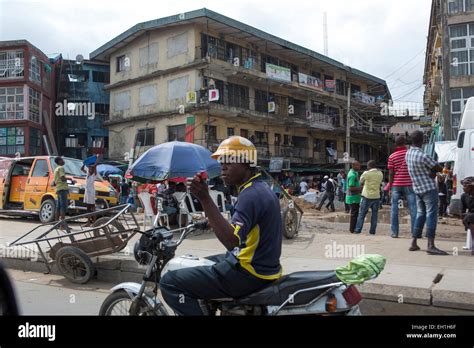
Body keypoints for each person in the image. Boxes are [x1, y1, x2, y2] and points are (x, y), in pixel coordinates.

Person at [160, 136, 282, 315]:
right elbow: (246, 231)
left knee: (170, 282)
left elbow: (232, 241)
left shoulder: (250, 195)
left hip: (250, 272)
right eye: (222, 161)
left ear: (247, 164)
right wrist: (215, 222)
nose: (223, 166)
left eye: (229, 161)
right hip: (265, 267)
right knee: (202, 263)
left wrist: (204, 198)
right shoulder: (260, 188)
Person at [405, 130, 447, 255]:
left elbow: (428, 169)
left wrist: (431, 171)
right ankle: (430, 245)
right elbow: (438, 168)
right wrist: (439, 171)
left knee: (420, 214)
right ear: (422, 141)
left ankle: (413, 242)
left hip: (417, 188)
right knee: (431, 215)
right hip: (429, 189)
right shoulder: (423, 155)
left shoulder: (408, 154)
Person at [387, 135, 417, 239]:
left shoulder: (392, 156)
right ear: (405, 143)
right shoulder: (410, 154)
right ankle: (414, 233)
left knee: (394, 209)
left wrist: (390, 187)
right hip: (409, 184)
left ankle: (395, 233)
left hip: (396, 185)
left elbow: (391, 173)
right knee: (413, 208)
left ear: (395, 144)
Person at [354, 161, 383, 235]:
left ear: (370, 166)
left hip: (366, 196)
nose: (367, 167)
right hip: (376, 196)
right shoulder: (380, 173)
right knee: (374, 215)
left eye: (367, 166)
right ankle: (372, 231)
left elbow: (360, 181)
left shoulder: (366, 173)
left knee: (362, 214)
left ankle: (358, 230)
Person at [346, 161, 362, 233]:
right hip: (353, 198)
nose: (359, 167)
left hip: (356, 197)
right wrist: (360, 188)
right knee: (354, 214)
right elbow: (351, 188)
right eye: (358, 166)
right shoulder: (352, 175)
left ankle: (353, 228)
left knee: (355, 213)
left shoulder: (355, 173)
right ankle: (352, 229)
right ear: (353, 166)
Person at [81, 160, 98, 226]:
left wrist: (95, 165)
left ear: (93, 169)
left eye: (90, 168)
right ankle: (88, 222)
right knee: (88, 208)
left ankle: (94, 222)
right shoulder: (87, 173)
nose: (89, 169)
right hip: (87, 193)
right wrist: (84, 164)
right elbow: (82, 169)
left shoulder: (94, 175)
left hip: (91, 193)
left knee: (93, 207)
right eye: (89, 168)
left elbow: (95, 167)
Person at [53, 157, 69, 224]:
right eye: (62, 160)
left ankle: (56, 223)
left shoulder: (56, 169)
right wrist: (70, 179)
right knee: (63, 207)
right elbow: (62, 178)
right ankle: (62, 224)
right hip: (63, 189)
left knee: (58, 207)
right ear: (59, 161)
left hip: (58, 189)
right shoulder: (61, 168)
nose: (63, 161)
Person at [461, 177, 474, 249]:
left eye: (465, 186)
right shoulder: (464, 196)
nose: (463, 188)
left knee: (471, 217)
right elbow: (462, 211)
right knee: (470, 218)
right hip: (470, 218)